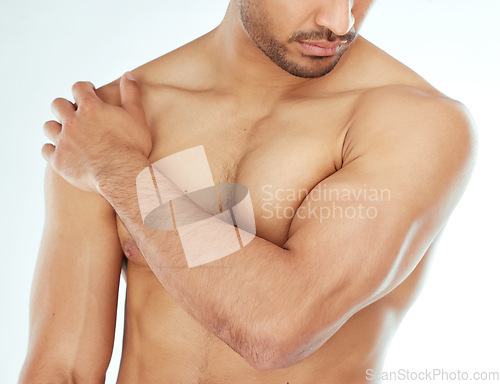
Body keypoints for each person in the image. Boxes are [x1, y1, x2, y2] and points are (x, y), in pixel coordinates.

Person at [20, 0, 477, 383]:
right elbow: (61, 370)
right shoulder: (110, 119)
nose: (341, 22)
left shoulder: (412, 122)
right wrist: (112, 161)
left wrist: (119, 171)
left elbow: (277, 329)